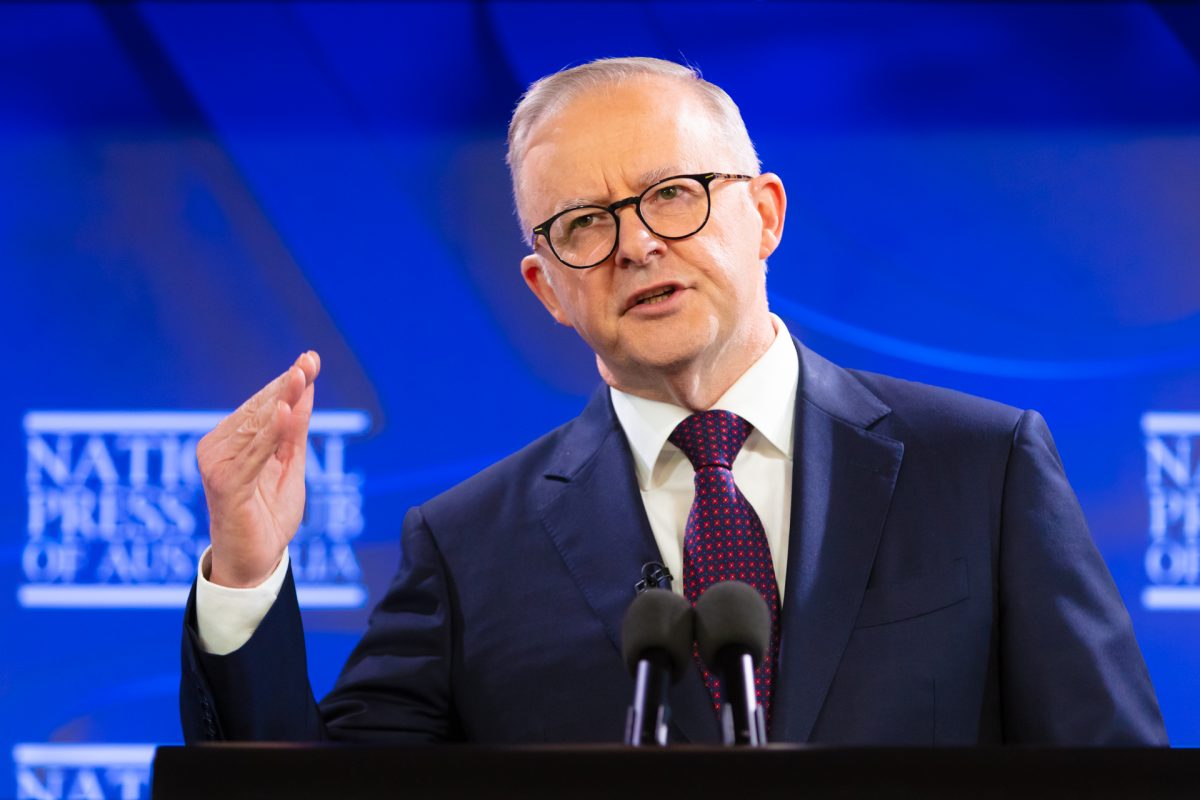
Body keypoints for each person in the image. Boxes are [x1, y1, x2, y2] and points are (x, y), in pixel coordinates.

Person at [181, 57, 1167, 745]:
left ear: (765, 212)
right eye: (583, 224)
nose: (639, 244)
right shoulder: (470, 544)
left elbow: (1108, 768)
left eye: (675, 193)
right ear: (545, 288)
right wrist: (246, 571)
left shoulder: (981, 468)